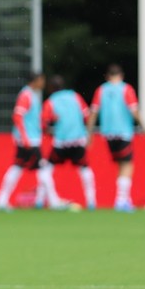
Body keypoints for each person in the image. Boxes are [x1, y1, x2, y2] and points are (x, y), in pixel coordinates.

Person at [35, 75, 96, 210]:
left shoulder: (50, 102)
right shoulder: (75, 97)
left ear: (51, 88)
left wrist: (51, 131)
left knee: (45, 170)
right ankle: (91, 202)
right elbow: (87, 115)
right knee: (85, 169)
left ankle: (40, 201)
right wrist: (89, 135)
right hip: (78, 140)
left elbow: (43, 124)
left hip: (61, 142)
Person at [87, 64, 142, 212]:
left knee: (121, 164)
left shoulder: (101, 90)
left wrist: (89, 133)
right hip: (123, 132)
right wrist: (144, 125)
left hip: (108, 134)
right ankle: (121, 200)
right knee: (127, 164)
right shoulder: (126, 89)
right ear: (121, 75)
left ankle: (124, 199)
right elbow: (134, 110)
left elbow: (93, 113)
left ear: (107, 76)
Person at [0, 72, 47, 211]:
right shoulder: (26, 95)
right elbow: (17, 116)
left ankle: (1, 200)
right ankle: (52, 200)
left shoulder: (31, 94)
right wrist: (25, 137)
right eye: (41, 80)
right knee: (42, 168)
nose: (43, 83)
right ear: (35, 81)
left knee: (17, 167)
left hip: (29, 138)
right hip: (29, 140)